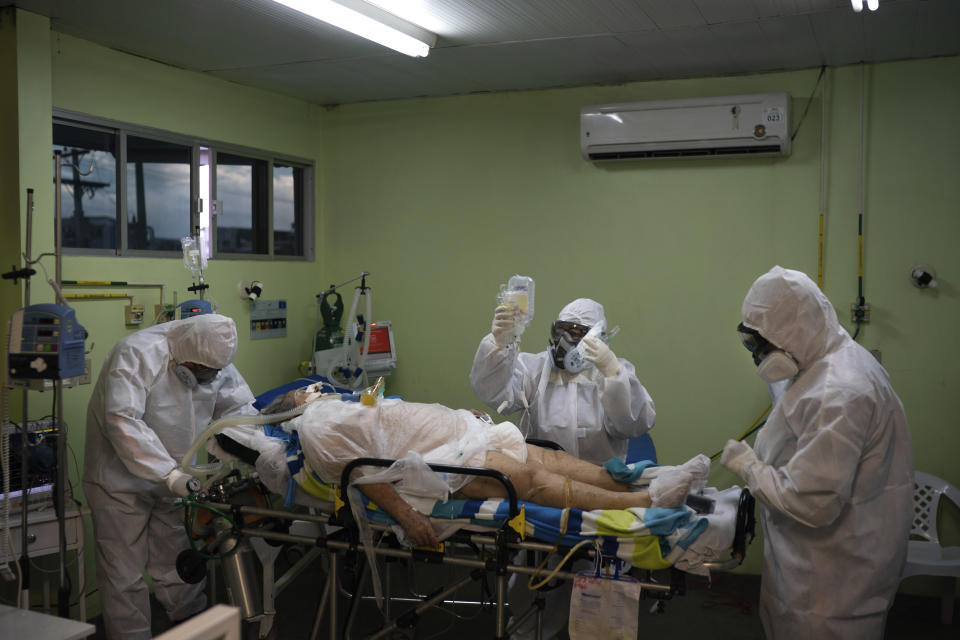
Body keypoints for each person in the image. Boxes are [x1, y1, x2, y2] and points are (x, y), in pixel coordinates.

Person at [720, 266, 914, 640]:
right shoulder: (832, 358)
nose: (761, 354)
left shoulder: (839, 391)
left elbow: (811, 503)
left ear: (796, 330)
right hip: (827, 563)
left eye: (765, 343)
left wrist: (749, 468)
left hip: (829, 580)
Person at [241, 388, 694, 548]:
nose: (315, 389)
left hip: (462, 430)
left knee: (548, 456)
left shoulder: (338, 405)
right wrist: (408, 515)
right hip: (444, 460)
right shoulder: (315, 426)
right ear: (292, 407)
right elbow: (359, 473)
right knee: (528, 480)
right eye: (307, 391)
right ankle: (644, 501)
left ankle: (640, 476)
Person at [470, 296, 657, 638]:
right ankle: (527, 630)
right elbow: (495, 394)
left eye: (578, 332)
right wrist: (498, 344)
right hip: (541, 489)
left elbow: (634, 424)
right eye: (562, 331)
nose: (567, 341)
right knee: (534, 577)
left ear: (598, 336)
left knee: (594, 584)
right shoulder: (535, 368)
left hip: (597, 487)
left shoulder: (612, 371)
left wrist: (612, 372)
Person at [83, 314, 274, 640]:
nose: (207, 378)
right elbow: (123, 422)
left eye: (213, 373)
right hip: (118, 481)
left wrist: (262, 452)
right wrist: (167, 473)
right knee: (123, 572)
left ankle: (189, 624)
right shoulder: (135, 354)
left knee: (176, 558)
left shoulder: (215, 359)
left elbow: (237, 411)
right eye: (201, 371)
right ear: (184, 354)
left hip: (176, 476)